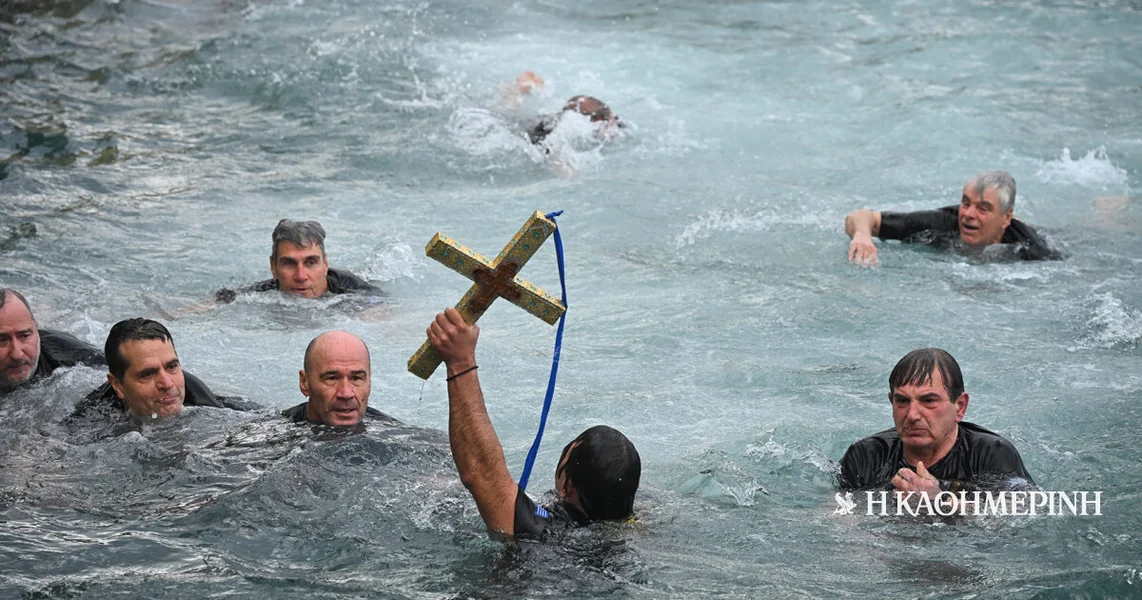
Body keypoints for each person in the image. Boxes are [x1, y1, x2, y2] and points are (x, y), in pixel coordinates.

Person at [427, 307, 640, 540]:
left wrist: (460, 362)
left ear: (567, 488)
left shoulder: (544, 532)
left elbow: (480, 474)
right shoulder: (630, 522)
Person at [837, 348, 1034, 493]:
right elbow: (837, 520)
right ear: (891, 402)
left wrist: (937, 502)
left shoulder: (993, 454)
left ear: (960, 406)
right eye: (902, 401)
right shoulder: (867, 456)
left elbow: (1021, 519)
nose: (912, 415)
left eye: (929, 401)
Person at [844, 170, 1061, 265]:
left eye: (983, 208)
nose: (968, 215)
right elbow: (860, 216)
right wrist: (862, 235)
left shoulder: (1032, 249)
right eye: (965, 203)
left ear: (1006, 218)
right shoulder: (942, 224)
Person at [72, 318, 241, 421]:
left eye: (172, 366)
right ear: (118, 386)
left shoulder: (210, 409)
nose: (167, 384)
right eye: (147, 374)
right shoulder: (89, 419)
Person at [215, 219, 383, 303]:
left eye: (311, 262)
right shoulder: (260, 293)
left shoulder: (356, 294)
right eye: (289, 263)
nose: (301, 276)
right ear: (274, 267)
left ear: (325, 264)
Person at [281, 330, 398, 426]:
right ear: (304, 383)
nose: (346, 394)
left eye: (356, 378)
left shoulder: (397, 436)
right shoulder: (271, 435)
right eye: (332, 378)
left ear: (369, 381)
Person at [0, 288, 104, 394]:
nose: (17, 354)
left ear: (35, 329)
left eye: (25, 336)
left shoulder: (69, 357)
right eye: (2, 340)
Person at [511, 71, 625, 146]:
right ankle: (520, 87)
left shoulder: (615, 122)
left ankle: (524, 86)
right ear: (598, 120)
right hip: (523, 127)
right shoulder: (555, 133)